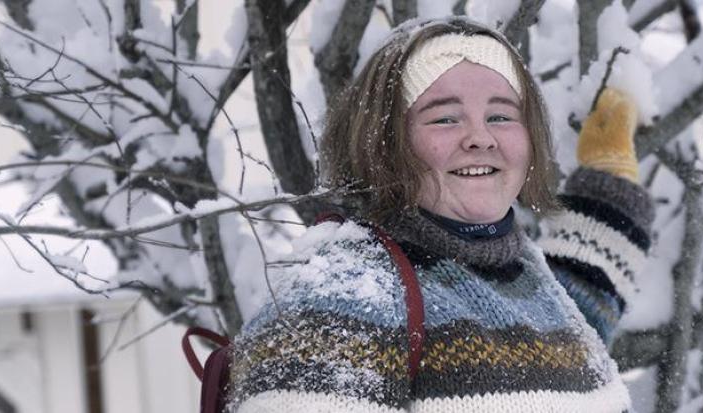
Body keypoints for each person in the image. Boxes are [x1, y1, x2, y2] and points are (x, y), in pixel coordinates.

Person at [228, 17, 654, 413]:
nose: (480, 138)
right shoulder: (340, 301)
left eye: (501, 116)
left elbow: (582, 301)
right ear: (383, 143)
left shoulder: (524, 279)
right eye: (445, 118)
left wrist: (611, 170)